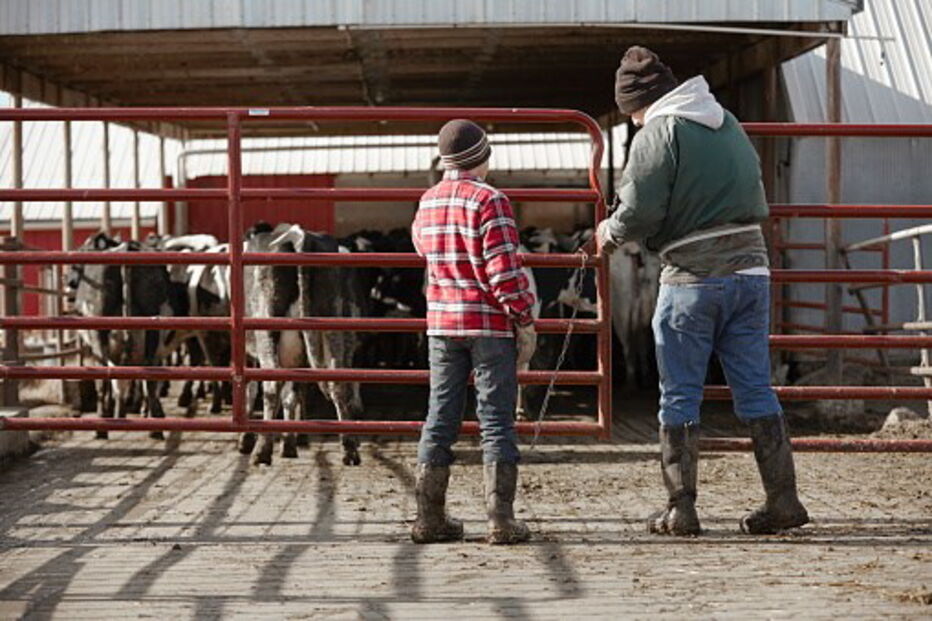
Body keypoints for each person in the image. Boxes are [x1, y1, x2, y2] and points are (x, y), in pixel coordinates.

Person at [595, 46, 809, 536]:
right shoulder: (727, 122)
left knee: (680, 392)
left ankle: (681, 507)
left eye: (631, 113)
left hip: (693, 276)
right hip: (752, 271)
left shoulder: (659, 131)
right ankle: (783, 499)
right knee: (755, 386)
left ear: (640, 103)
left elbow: (641, 209)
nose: (632, 121)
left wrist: (609, 232)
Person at [410, 119, 537, 545]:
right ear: (483, 157)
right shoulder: (491, 200)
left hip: (442, 325)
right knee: (496, 420)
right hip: (488, 326)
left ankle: (429, 518)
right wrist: (524, 316)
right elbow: (503, 272)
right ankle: (501, 520)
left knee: (440, 417)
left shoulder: (427, 200)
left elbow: (422, 249)